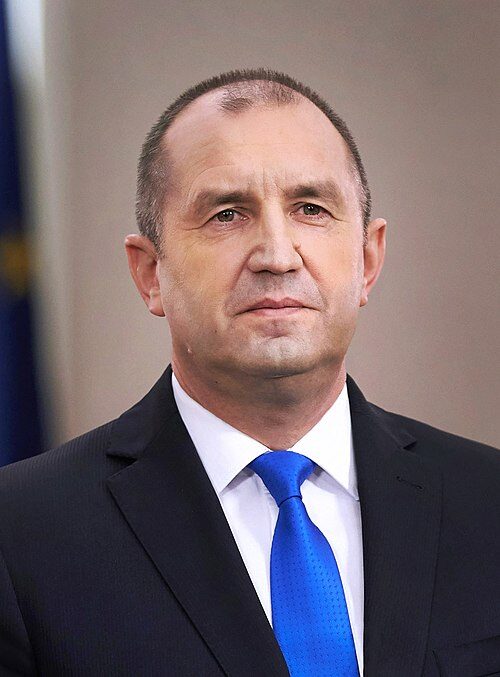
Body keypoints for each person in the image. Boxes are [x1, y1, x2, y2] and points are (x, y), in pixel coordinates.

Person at [0, 69, 499, 677]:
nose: (277, 256)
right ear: (150, 272)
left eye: (311, 209)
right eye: (227, 214)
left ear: (368, 260)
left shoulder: (488, 504)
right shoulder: (19, 534)